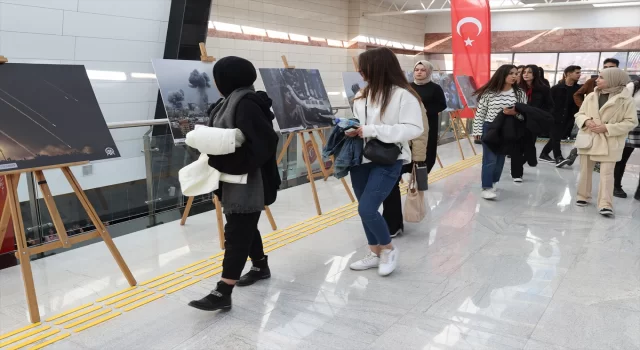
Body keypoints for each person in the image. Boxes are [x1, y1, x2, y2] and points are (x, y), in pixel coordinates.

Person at [189, 56, 281, 311]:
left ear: (223, 81)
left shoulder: (245, 104)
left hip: (248, 180)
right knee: (243, 225)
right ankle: (260, 266)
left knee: (237, 232)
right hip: (235, 177)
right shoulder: (232, 102)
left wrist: (226, 161)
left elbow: (264, 143)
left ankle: (223, 290)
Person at [346, 47, 423, 276]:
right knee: (364, 210)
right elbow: (360, 123)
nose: (359, 71)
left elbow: (413, 128)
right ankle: (375, 252)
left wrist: (371, 129)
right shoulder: (362, 94)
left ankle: (388, 249)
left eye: (363, 66)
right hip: (361, 158)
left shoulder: (403, 95)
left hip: (389, 158)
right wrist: (351, 128)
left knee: (367, 208)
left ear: (378, 67)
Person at [574, 68, 638, 216]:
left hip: (610, 140)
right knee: (585, 170)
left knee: (607, 174)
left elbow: (631, 122)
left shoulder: (626, 99)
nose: (597, 80)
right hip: (589, 138)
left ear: (614, 79)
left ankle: (605, 204)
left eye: (601, 77)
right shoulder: (591, 96)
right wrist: (586, 121)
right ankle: (582, 196)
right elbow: (580, 114)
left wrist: (607, 127)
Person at [472, 64, 527, 199]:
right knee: (489, 158)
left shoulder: (520, 93)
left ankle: (494, 181)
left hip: (508, 128)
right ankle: (486, 187)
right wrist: (477, 130)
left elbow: (525, 114)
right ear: (502, 75)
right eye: (511, 73)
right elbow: (480, 113)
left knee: (500, 158)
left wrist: (514, 113)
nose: (515, 76)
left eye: (516, 74)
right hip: (490, 127)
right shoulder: (489, 93)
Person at [563, 58, 622, 170]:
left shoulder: (622, 86)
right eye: (605, 67)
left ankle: (598, 163)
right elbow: (577, 94)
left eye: (611, 67)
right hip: (591, 121)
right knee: (587, 142)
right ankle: (573, 155)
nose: (608, 70)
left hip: (609, 125)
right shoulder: (593, 81)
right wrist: (584, 107)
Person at [510, 65, 554, 181]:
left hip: (533, 122)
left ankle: (525, 161)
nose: (525, 74)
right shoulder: (517, 88)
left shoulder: (543, 89)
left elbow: (549, 106)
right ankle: (517, 173)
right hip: (518, 120)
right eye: (524, 72)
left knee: (528, 146)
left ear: (535, 74)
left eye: (529, 72)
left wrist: (541, 116)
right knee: (517, 147)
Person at [539, 65, 582, 167]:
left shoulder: (579, 89)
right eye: (577, 73)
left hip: (569, 118)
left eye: (580, 73)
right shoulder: (556, 88)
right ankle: (559, 157)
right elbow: (547, 103)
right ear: (568, 74)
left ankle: (544, 154)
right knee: (556, 137)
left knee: (557, 137)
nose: (579, 75)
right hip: (554, 117)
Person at [613, 80, 640, 199]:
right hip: (631, 121)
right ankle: (616, 186)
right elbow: (620, 104)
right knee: (622, 156)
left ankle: (639, 191)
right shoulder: (633, 86)